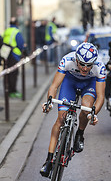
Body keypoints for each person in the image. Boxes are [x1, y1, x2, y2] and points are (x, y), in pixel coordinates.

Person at [40, 42, 106, 177]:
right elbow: (54, 86)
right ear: (76, 59)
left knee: (86, 107)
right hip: (70, 83)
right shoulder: (67, 60)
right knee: (60, 119)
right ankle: (48, 161)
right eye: (82, 64)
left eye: (89, 65)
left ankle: (80, 133)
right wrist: (49, 102)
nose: (85, 68)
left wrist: (94, 114)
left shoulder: (100, 67)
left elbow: (100, 97)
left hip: (89, 84)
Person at [2, 17, 25, 98]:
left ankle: (7, 90)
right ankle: (12, 91)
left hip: (5, 54)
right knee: (13, 73)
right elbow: (21, 44)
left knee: (6, 73)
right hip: (14, 55)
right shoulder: (16, 31)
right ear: (17, 23)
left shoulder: (6, 31)